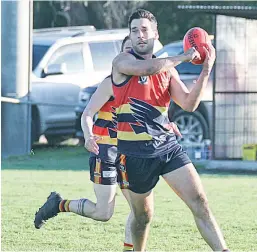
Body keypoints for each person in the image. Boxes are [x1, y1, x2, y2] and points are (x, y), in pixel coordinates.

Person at [34, 35, 182, 252]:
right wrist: (88, 135)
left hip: (132, 152)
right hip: (105, 150)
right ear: (121, 56)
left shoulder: (147, 85)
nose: (133, 55)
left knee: (141, 211)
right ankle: (59, 204)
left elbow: (153, 115)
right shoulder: (110, 83)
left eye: (136, 51)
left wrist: (169, 124)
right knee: (104, 213)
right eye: (127, 50)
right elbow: (87, 114)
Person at [111, 9, 230, 252]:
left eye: (145, 30)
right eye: (135, 31)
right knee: (142, 218)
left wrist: (205, 70)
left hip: (167, 148)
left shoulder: (168, 70)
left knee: (200, 202)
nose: (140, 35)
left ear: (155, 34)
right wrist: (185, 56)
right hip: (134, 154)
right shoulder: (122, 62)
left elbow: (188, 104)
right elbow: (147, 69)